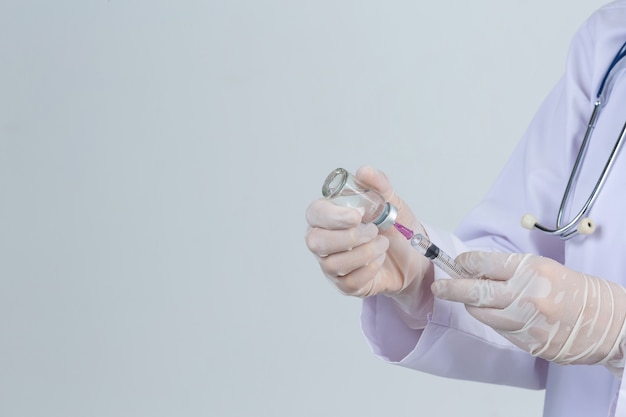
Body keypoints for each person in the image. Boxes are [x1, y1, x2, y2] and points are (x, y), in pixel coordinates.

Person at [304, 1, 626, 416]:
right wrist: (421, 279)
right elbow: (534, 284)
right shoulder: (610, 42)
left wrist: (617, 327)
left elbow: (586, 318)